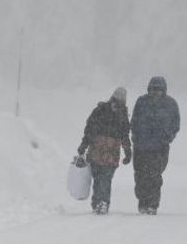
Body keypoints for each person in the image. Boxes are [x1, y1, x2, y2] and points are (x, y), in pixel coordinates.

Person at [77, 87, 132, 215]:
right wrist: (127, 150)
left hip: (99, 149)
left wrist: (84, 144)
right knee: (103, 178)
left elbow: (90, 129)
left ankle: (100, 202)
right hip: (109, 151)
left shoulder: (101, 110)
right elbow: (124, 134)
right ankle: (101, 202)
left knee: (101, 178)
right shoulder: (119, 114)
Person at [130, 76, 180, 215]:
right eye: (153, 89)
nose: (155, 92)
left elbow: (175, 124)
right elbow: (134, 120)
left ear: (164, 90)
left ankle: (152, 204)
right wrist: (135, 136)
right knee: (140, 177)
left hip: (159, 148)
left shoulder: (170, 104)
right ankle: (142, 201)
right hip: (141, 147)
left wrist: (167, 137)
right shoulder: (141, 102)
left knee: (154, 177)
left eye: (158, 89)